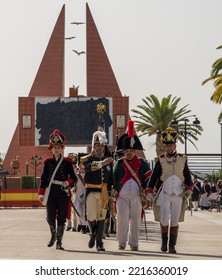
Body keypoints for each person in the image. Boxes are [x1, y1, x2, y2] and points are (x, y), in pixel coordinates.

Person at [146, 127, 193, 254]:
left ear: (175, 145)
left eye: (171, 145)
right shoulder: (160, 159)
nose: (169, 148)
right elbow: (154, 176)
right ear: (164, 147)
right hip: (165, 194)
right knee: (164, 219)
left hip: (178, 194)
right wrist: (149, 190)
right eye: (167, 146)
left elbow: (187, 176)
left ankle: (172, 245)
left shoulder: (183, 159)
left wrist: (189, 188)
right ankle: (163, 243)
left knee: (175, 220)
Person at [113, 120, 152, 251]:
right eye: (127, 151)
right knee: (122, 219)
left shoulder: (142, 163)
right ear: (124, 152)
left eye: (131, 150)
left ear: (134, 151)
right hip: (122, 197)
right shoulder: (119, 163)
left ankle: (134, 243)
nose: (129, 153)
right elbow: (113, 177)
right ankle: (122, 242)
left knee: (135, 220)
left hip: (136, 197)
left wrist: (147, 190)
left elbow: (149, 177)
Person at [38, 129, 77, 250]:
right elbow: (44, 179)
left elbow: (74, 177)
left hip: (62, 192)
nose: (56, 149)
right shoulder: (47, 162)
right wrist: (41, 193)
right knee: (50, 217)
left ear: (62, 148)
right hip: (50, 192)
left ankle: (59, 241)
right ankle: (53, 235)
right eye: (54, 147)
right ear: (51, 148)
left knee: (61, 217)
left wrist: (68, 182)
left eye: (59, 147)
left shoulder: (67, 162)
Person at [80, 129, 114, 252]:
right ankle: (92, 234)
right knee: (91, 215)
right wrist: (102, 163)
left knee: (102, 217)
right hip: (91, 190)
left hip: (104, 192)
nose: (100, 147)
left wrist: (111, 193)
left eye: (102, 145)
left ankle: (99, 241)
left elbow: (111, 179)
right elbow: (88, 168)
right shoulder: (86, 159)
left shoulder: (109, 160)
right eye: (98, 145)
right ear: (93, 146)